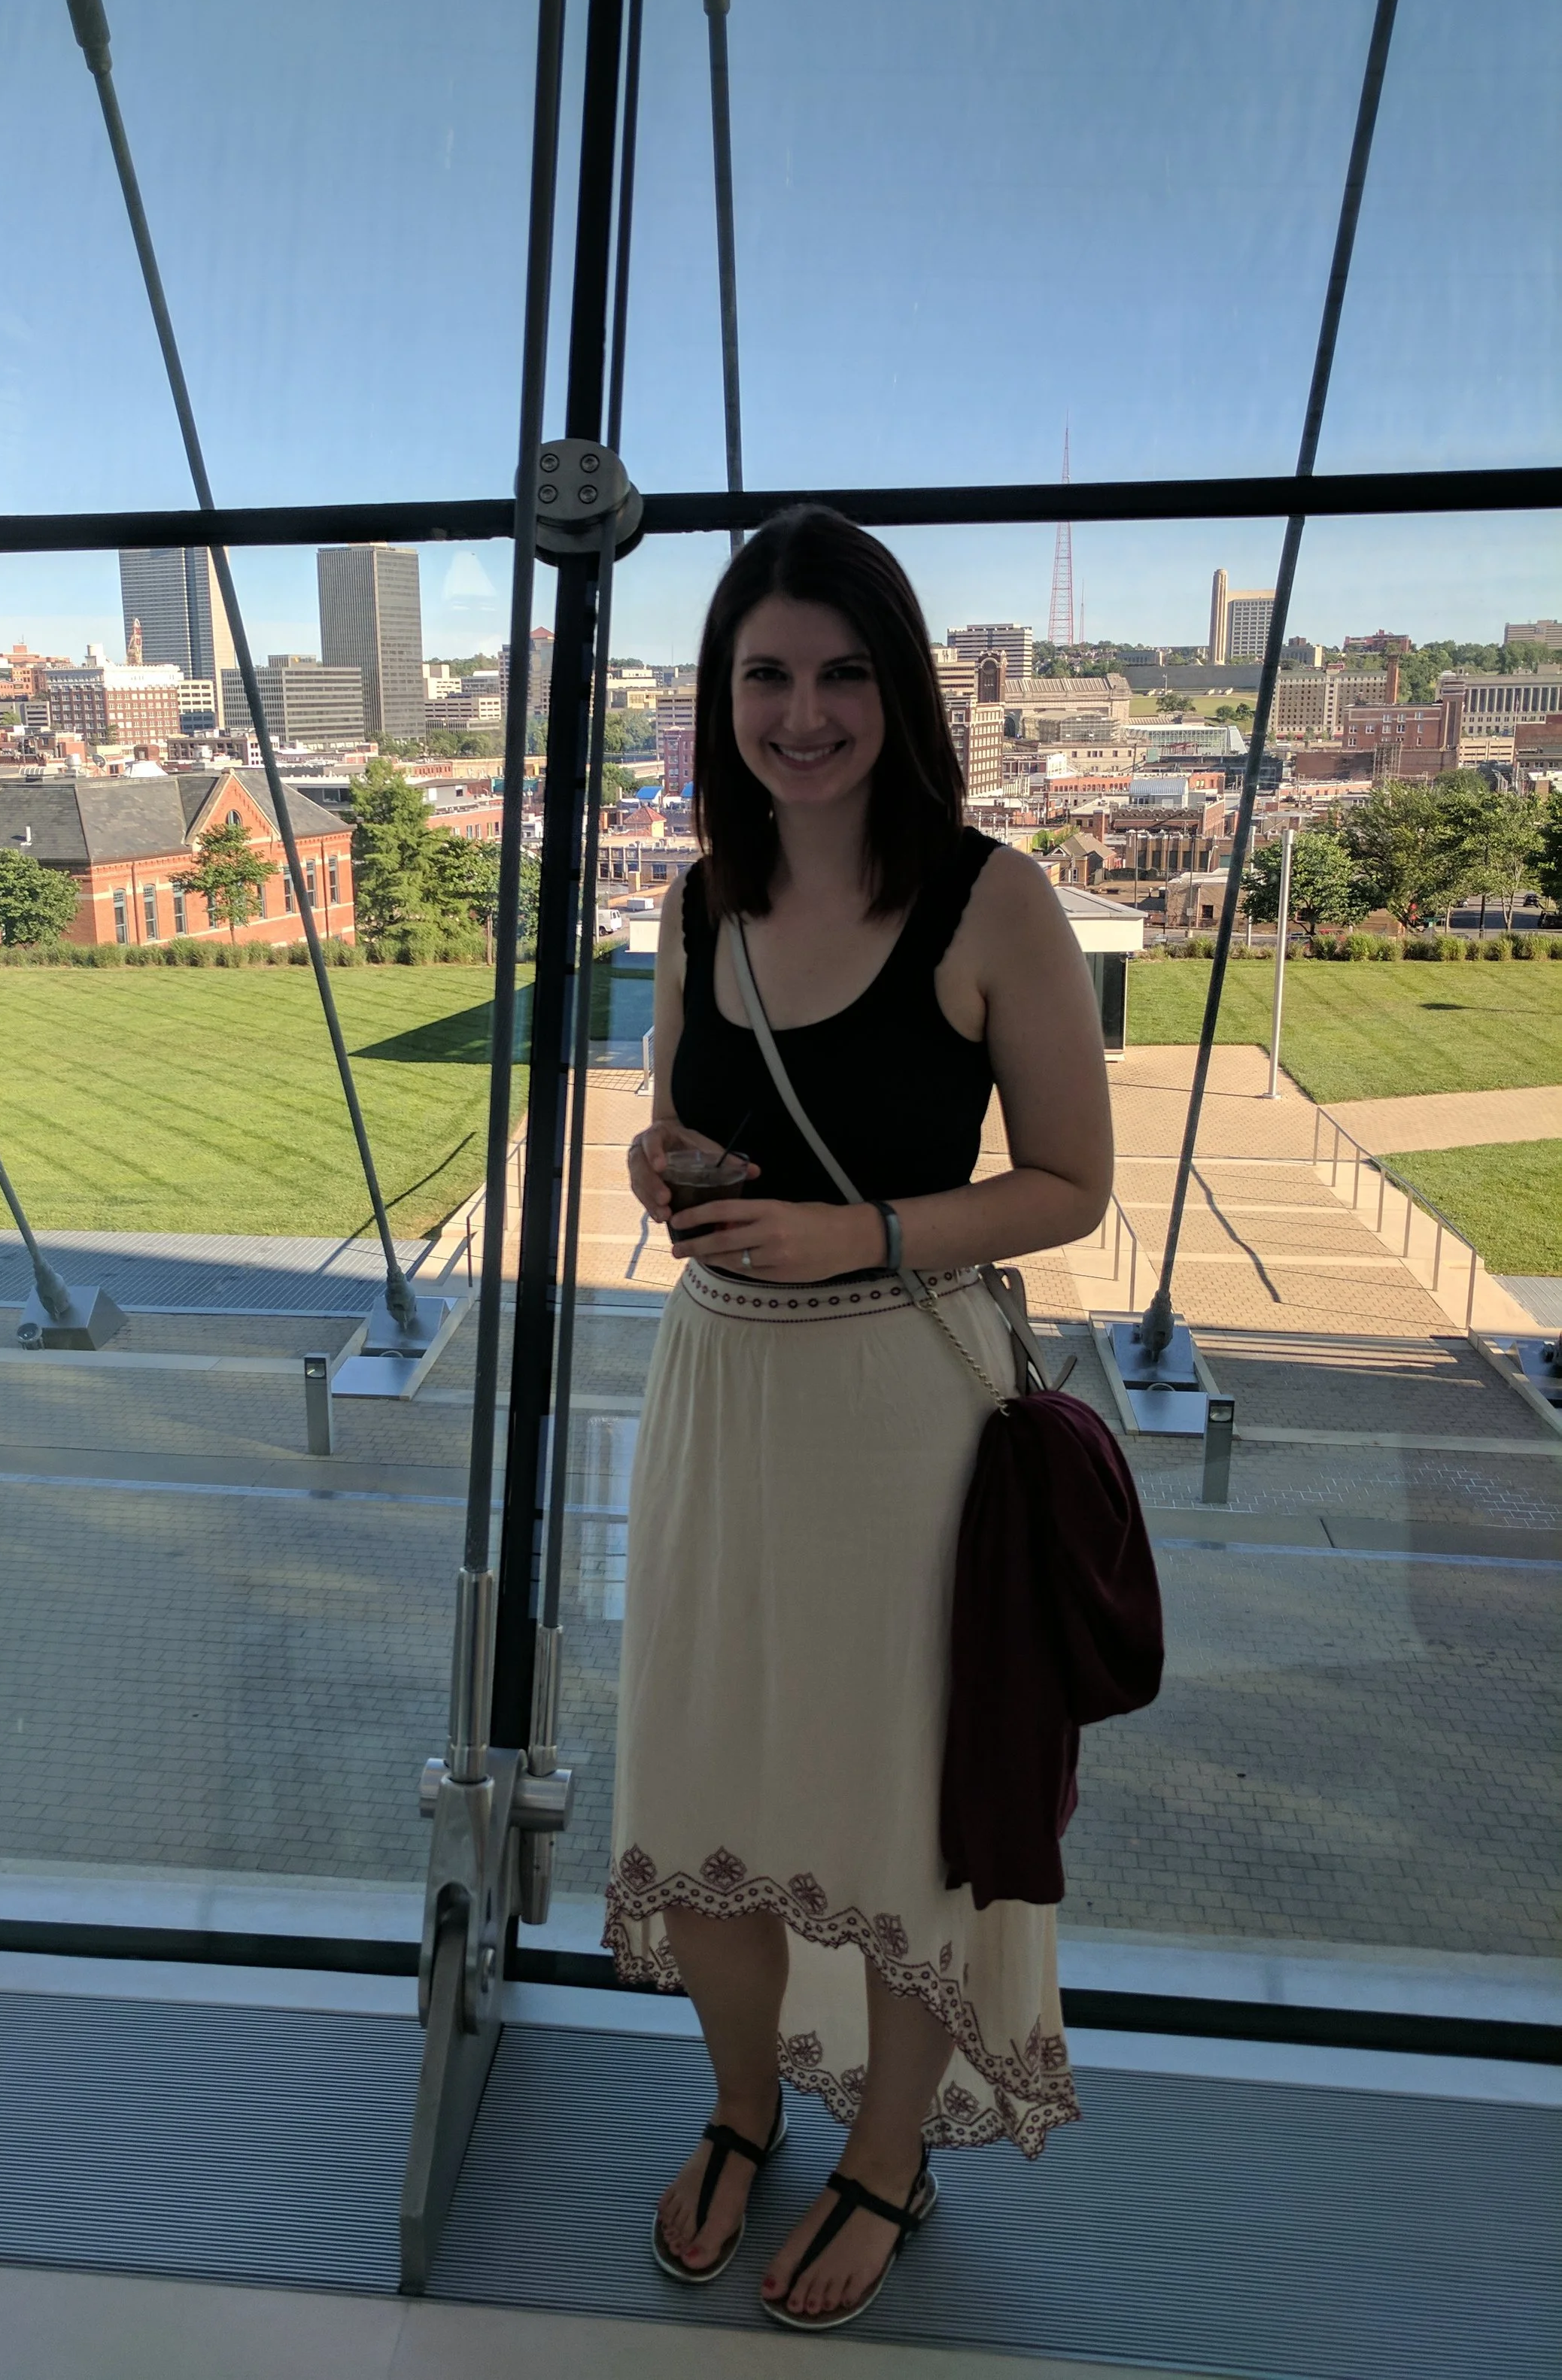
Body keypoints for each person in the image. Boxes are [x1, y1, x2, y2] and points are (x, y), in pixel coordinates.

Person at [606, 508, 1114, 2330]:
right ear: (717, 696)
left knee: (907, 1809)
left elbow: (1070, 1183)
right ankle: (744, 2113)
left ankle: (883, 2157)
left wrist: (862, 1227)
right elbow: (665, 1115)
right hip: (720, 1392)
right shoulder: (696, 896)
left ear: (898, 693)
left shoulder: (993, 899)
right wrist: (664, 1163)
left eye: (839, 675)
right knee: (707, 1775)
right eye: (765, 675)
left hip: (907, 1413)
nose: (801, 714)